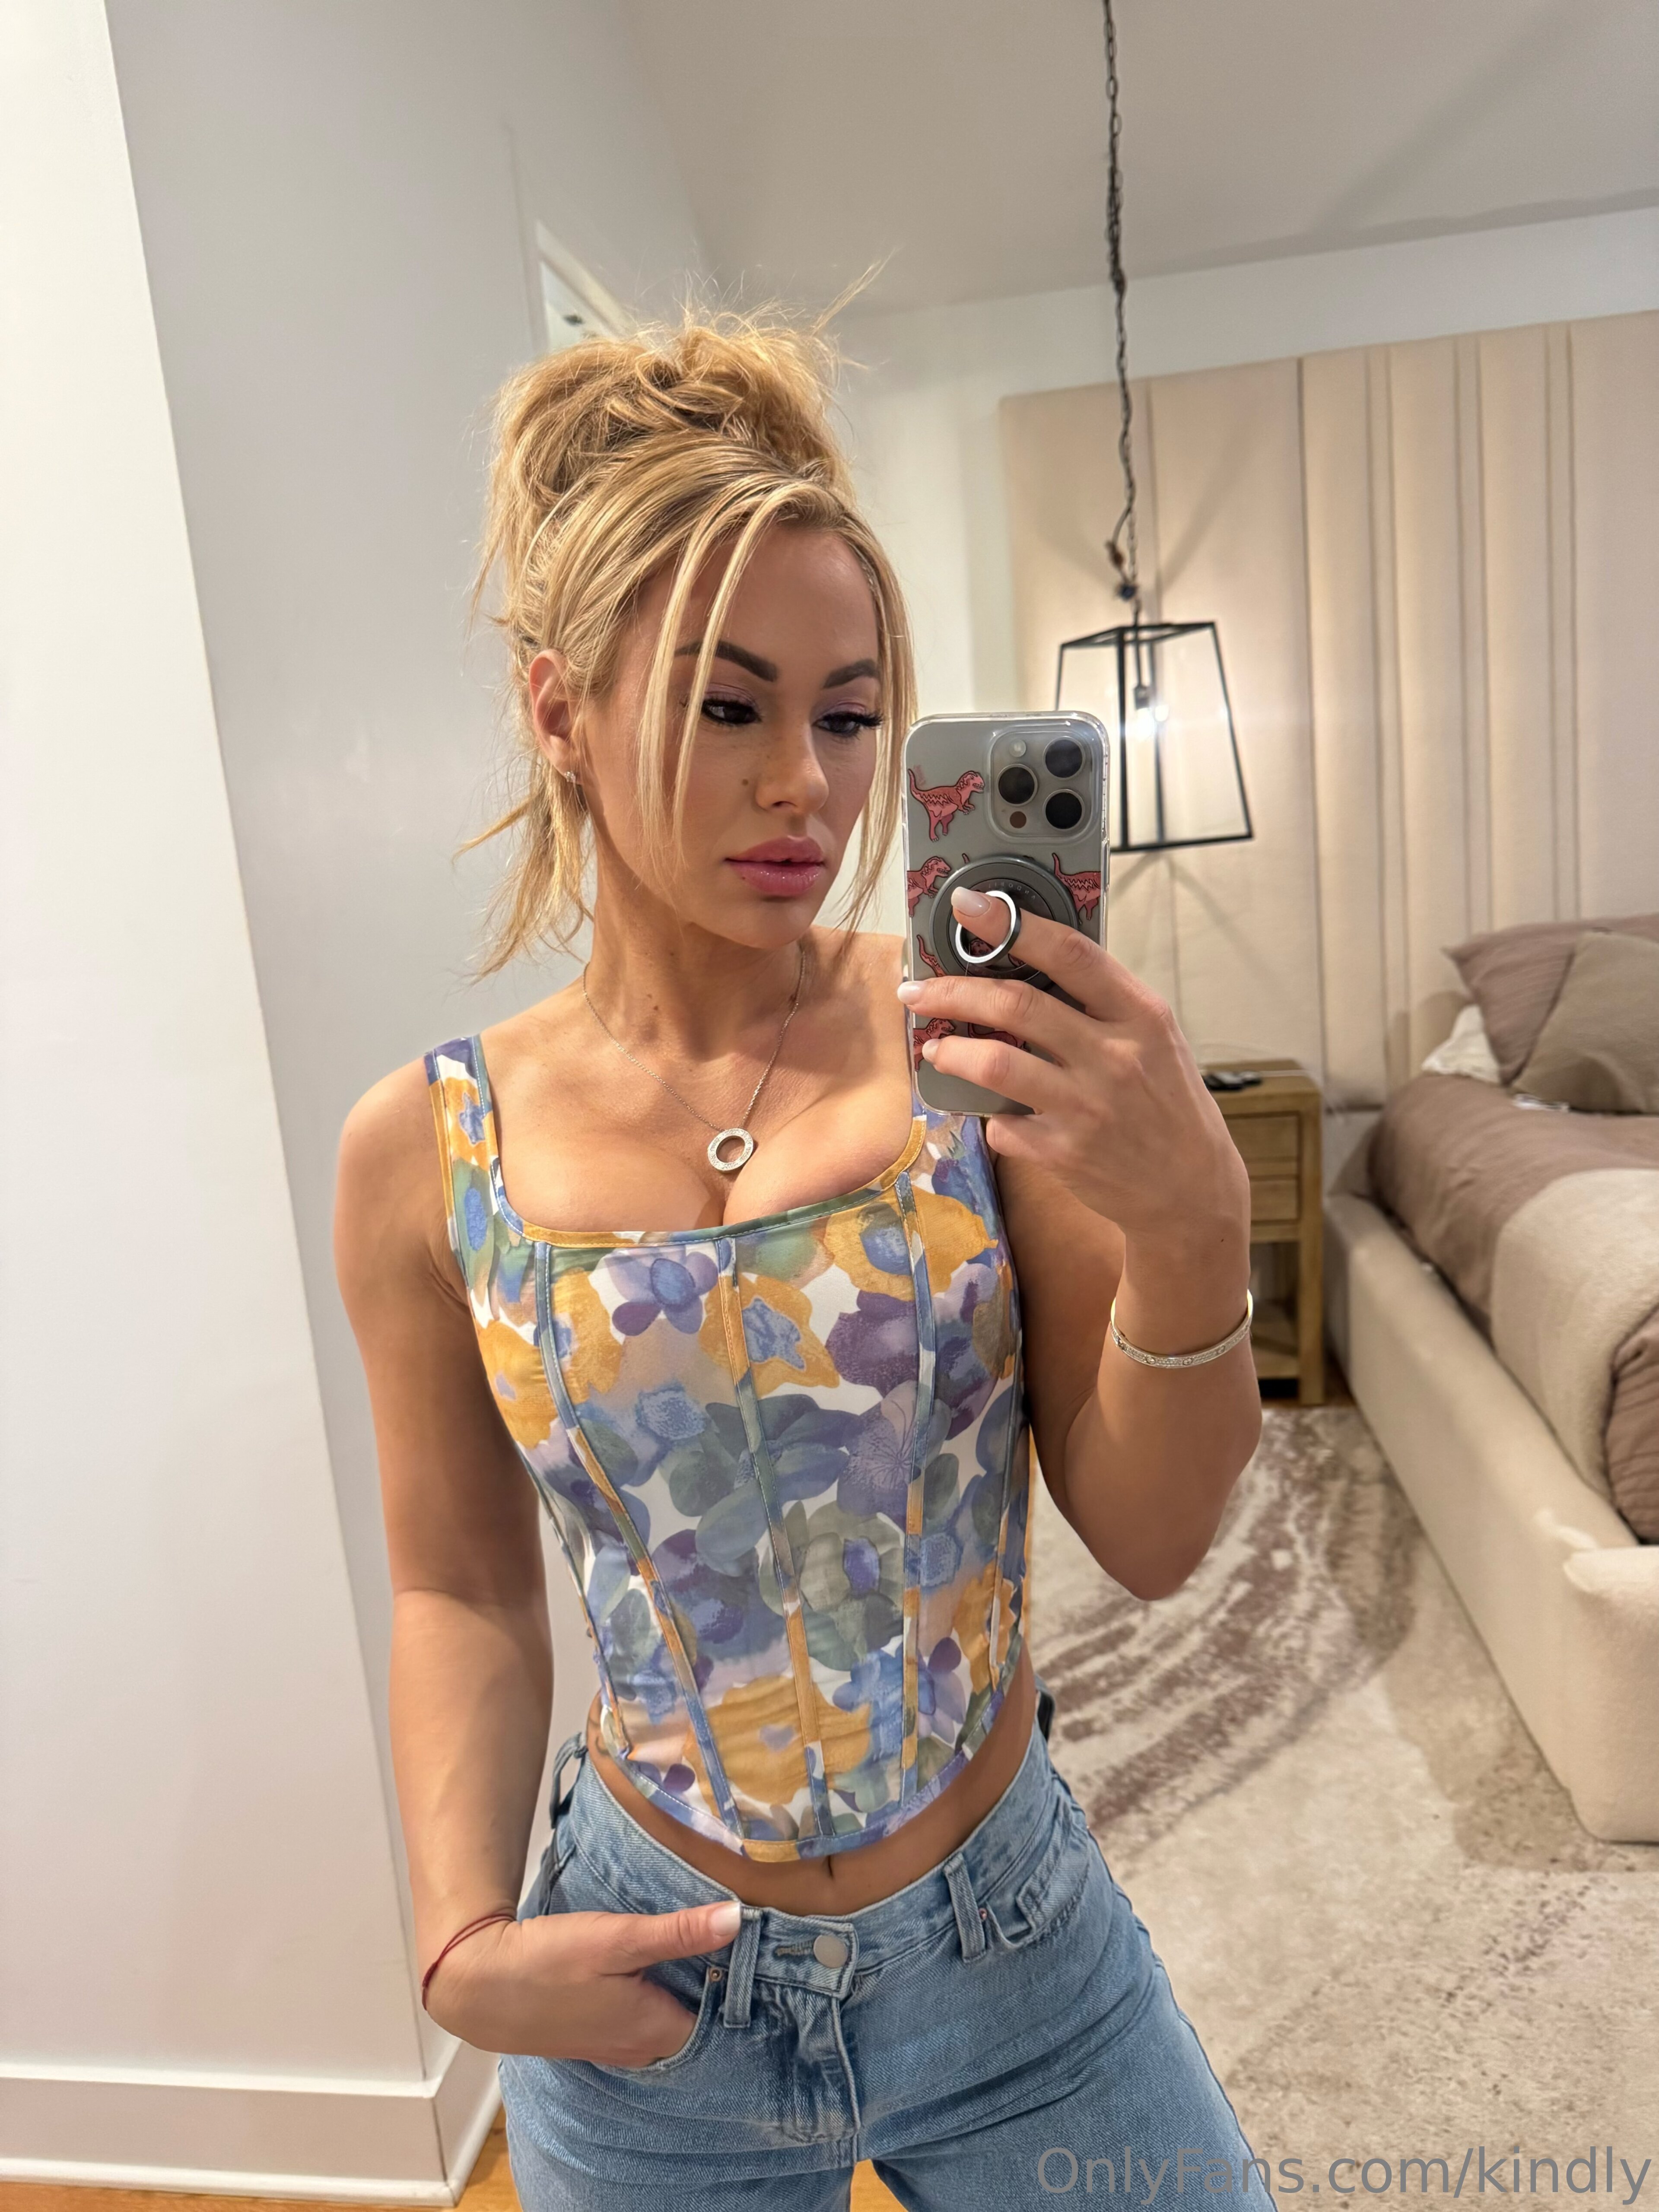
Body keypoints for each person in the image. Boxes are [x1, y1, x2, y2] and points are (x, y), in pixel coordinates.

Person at [333, 312, 1264, 2209]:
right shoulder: (428, 1151)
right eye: (726, 706)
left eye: (848, 717)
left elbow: (1158, 1536)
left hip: (1015, 1951)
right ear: (558, 711)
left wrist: (1190, 1232)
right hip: (651, 1996)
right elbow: (459, 1587)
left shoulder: (971, 1049)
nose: (805, 789)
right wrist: (457, 1932)